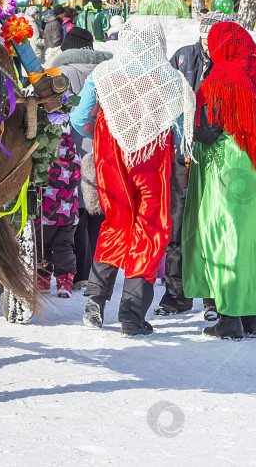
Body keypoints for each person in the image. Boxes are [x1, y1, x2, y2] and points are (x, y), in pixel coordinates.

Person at [71, 17, 195, 336]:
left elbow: (80, 117)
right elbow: (182, 130)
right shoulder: (172, 79)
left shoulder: (104, 73)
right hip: (152, 157)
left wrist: (97, 128)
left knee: (116, 221)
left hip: (111, 153)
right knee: (150, 228)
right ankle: (132, 313)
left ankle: (96, 298)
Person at [182, 22, 256, 340]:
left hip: (228, 160)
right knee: (251, 236)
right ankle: (248, 315)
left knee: (222, 233)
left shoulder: (224, 76)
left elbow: (209, 119)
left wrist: (196, 131)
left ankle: (228, 319)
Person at [157, 9, 234, 317]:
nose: (207, 39)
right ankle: (176, 296)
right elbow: (163, 94)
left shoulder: (227, 67)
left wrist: (204, 131)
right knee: (176, 228)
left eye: (214, 34)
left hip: (212, 155)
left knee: (207, 228)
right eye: (204, 32)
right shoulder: (182, 57)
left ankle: (212, 298)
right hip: (180, 155)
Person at [50, 26, 111, 288]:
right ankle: (95, 274)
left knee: (74, 214)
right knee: (97, 213)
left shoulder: (57, 73)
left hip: (68, 154)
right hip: (105, 150)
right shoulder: (109, 72)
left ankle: (76, 273)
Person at [35, 131, 81, 297]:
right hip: (69, 214)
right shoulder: (75, 158)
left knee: (42, 246)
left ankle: (43, 281)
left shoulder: (45, 159)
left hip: (46, 214)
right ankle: (65, 283)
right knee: (65, 246)